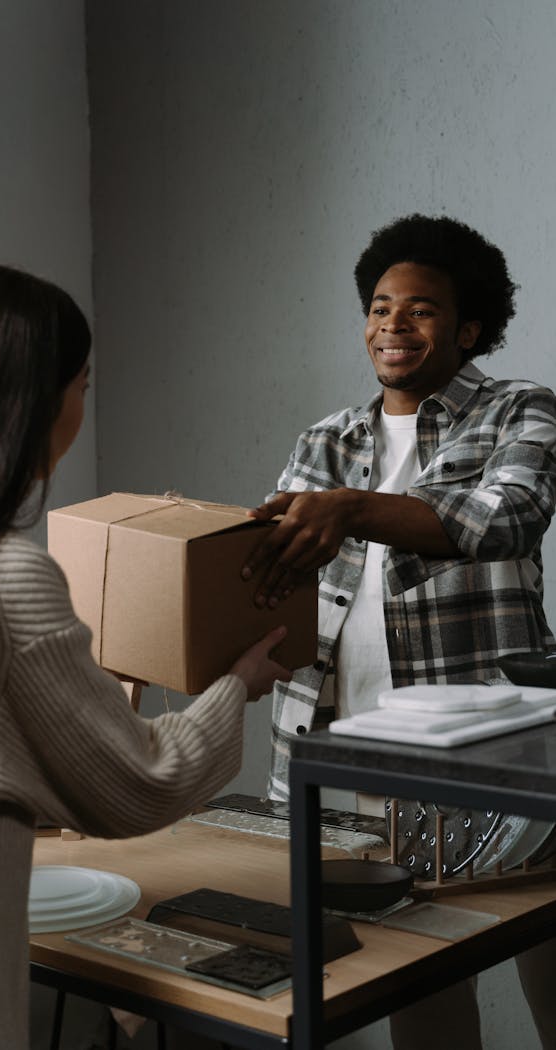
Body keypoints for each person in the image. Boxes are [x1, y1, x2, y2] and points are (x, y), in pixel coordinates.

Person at [0, 264, 291, 1050]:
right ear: (39, 402)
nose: (82, 407)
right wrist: (238, 685)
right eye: (82, 383)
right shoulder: (2, 573)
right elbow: (136, 786)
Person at [241, 214, 556, 1049]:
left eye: (419, 309)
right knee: (413, 976)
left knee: (547, 961)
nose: (393, 324)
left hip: (491, 758)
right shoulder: (326, 439)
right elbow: (272, 581)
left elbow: (505, 519)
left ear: (470, 326)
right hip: (348, 753)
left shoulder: (518, 410)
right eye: (379, 307)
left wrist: (350, 510)